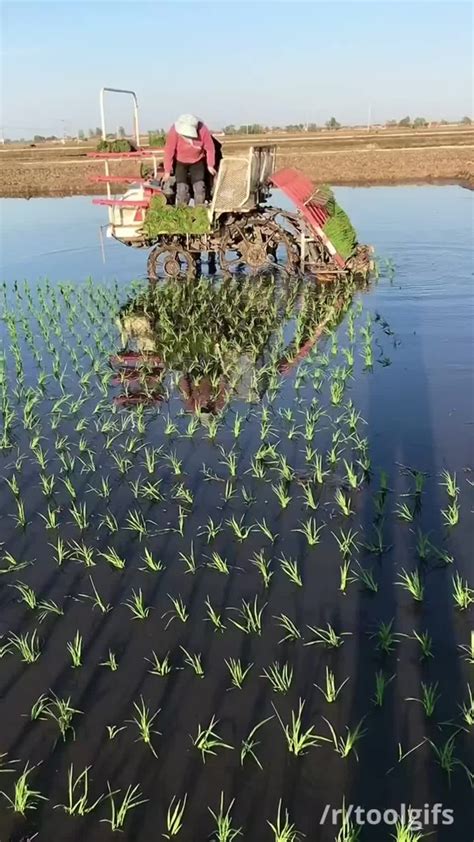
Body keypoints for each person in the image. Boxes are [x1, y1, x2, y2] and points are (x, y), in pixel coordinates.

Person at [163, 114, 216, 206]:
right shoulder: (174, 131)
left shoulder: (203, 130)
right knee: (182, 189)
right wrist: (167, 171)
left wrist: (210, 165)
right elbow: (169, 151)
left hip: (197, 161)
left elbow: (210, 148)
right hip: (180, 161)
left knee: (199, 188)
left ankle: (200, 211)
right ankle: (182, 211)